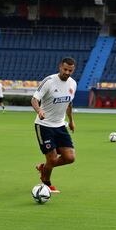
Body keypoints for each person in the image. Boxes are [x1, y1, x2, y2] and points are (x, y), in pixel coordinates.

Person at [31, 57, 77, 193]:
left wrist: (71, 120)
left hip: (60, 126)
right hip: (44, 126)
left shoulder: (73, 84)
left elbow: (69, 103)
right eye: (65, 69)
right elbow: (34, 99)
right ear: (60, 67)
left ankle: (44, 167)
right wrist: (39, 110)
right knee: (51, 158)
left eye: (70, 70)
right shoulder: (49, 81)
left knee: (70, 157)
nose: (67, 72)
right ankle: (46, 184)